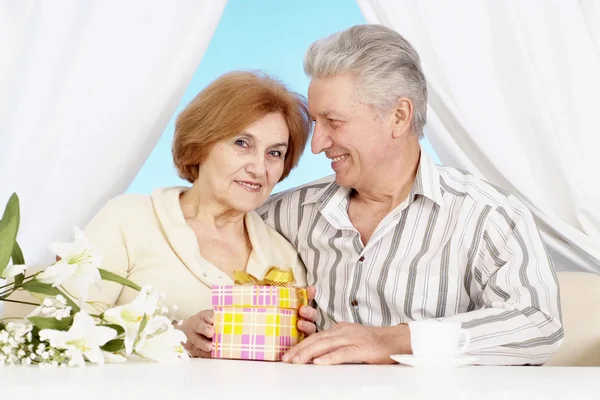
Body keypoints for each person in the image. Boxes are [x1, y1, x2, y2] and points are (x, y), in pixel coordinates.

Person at [260, 25, 563, 366]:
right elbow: (204, 233)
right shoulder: (286, 214)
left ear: (399, 116)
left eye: (333, 121)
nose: (317, 145)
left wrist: (396, 340)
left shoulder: (487, 215)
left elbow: (538, 324)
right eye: (316, 121)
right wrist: (190, 327)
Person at [76, 71, 318, 357]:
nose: (259, 168)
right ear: (201, 144)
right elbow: (62, 330)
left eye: (275, 153)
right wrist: (174, 335)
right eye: (242, 143)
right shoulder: (127, 220)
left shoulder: (284, 256)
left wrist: (301, 342)